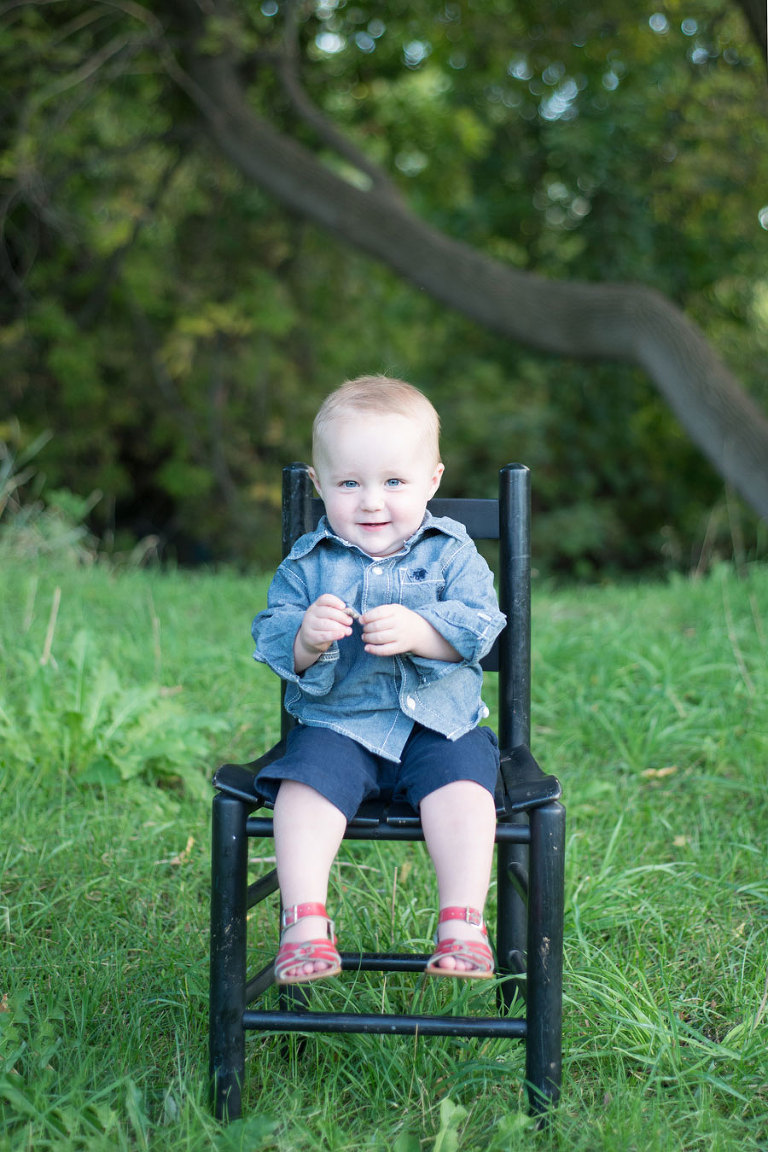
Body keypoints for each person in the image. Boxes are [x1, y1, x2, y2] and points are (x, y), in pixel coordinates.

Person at [251, 375, 506, 984]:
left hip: (440, 726)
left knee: (467, 790)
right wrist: (306, 638)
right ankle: (304, 925)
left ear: (432, 481)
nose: (371, 502)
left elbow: (482, 625)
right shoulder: (307, 564)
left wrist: (424, 631)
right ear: (319, 485)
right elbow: (271, 635)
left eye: (393, 482)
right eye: (349, 483)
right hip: (338, 728)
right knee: (300, 789)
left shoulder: (452, 554)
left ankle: (463, 923)